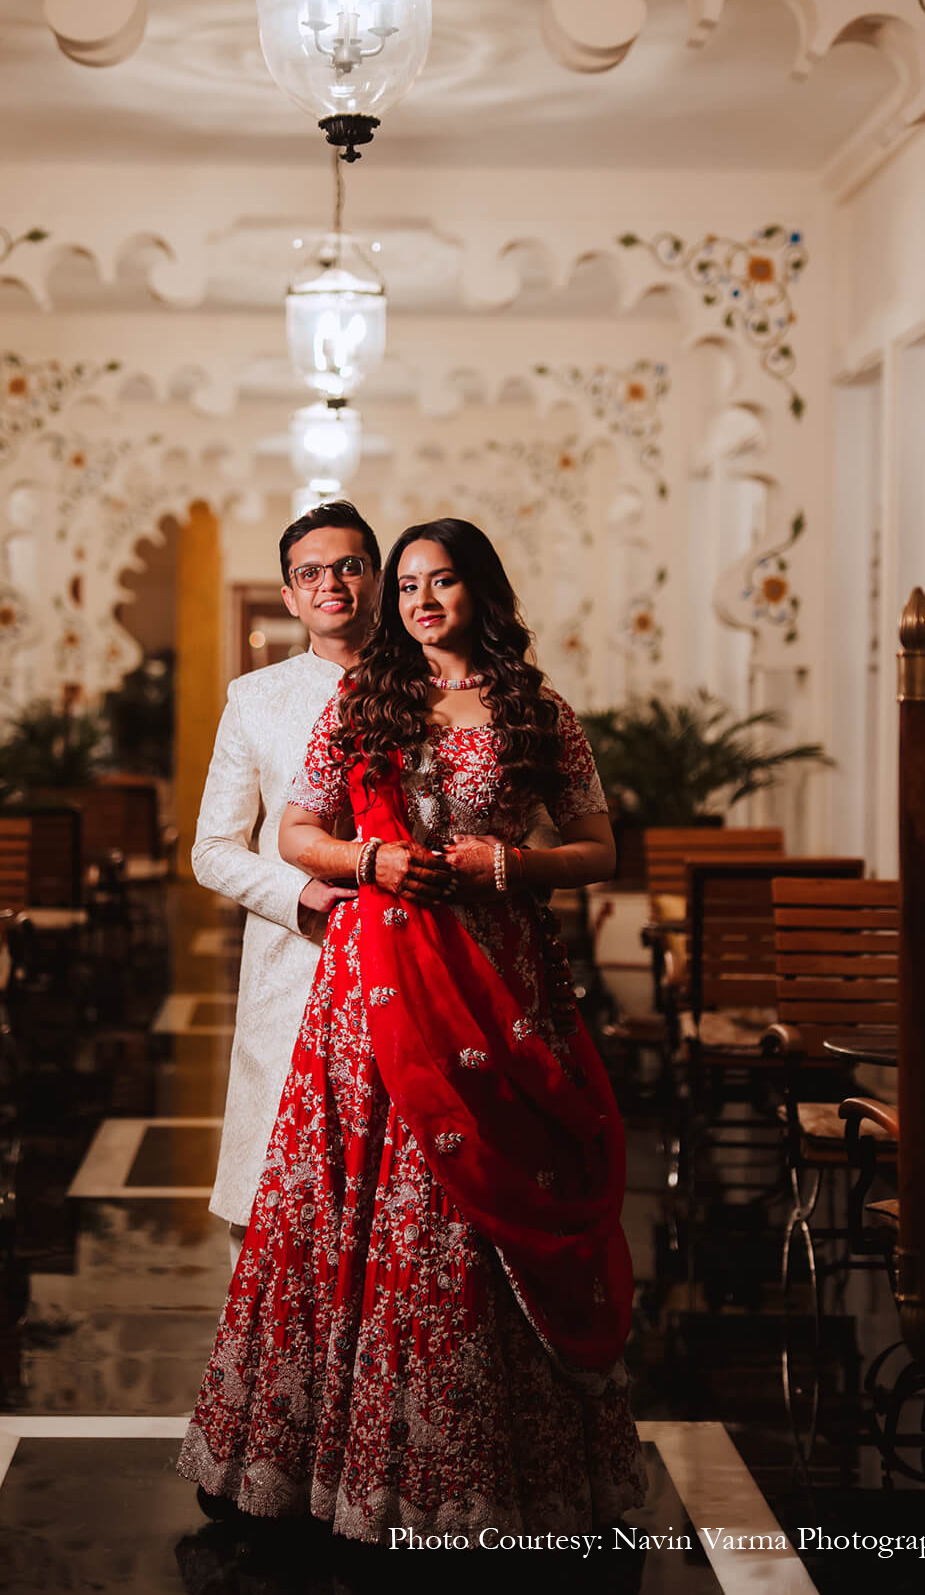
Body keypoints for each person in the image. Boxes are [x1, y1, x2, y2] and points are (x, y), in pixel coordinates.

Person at [180, 518, 644, 1542]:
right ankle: (333, 1460)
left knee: (479, 1210)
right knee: (365, 1217)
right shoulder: (361, 703)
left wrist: (509, 866)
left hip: (498, 982)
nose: (420, 601)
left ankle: (487, 1472)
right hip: (371, 993)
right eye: (409, 586)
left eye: (438, 582)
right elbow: (284, 835)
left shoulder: (536, 711)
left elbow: (598, 846)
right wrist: (366, 863)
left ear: (481, 590)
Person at [191, 499, 381, 1264]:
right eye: (310, 573)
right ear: (290, 596)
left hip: (410, 951)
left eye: (348, 566)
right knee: (277, 1200)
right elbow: (212, 849)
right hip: (295, 958)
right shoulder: (255, 699)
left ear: (377, 578)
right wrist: (296, 896)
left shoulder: (433, 686)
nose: (330, 583)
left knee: (395, 1195)